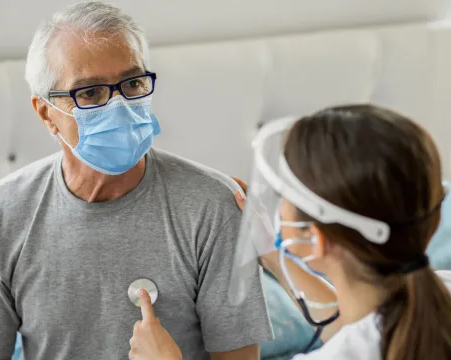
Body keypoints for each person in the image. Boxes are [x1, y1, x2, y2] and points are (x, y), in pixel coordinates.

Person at [0, 2, 272, 360]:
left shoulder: (213, 207)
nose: (118, 106)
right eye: (90, 93)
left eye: (132, 83)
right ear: (46, 114)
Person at [127, 104, 451, 360]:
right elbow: (356, 326)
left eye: (285, 198)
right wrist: (270, 254)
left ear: (317, 239)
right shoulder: (433, 298)